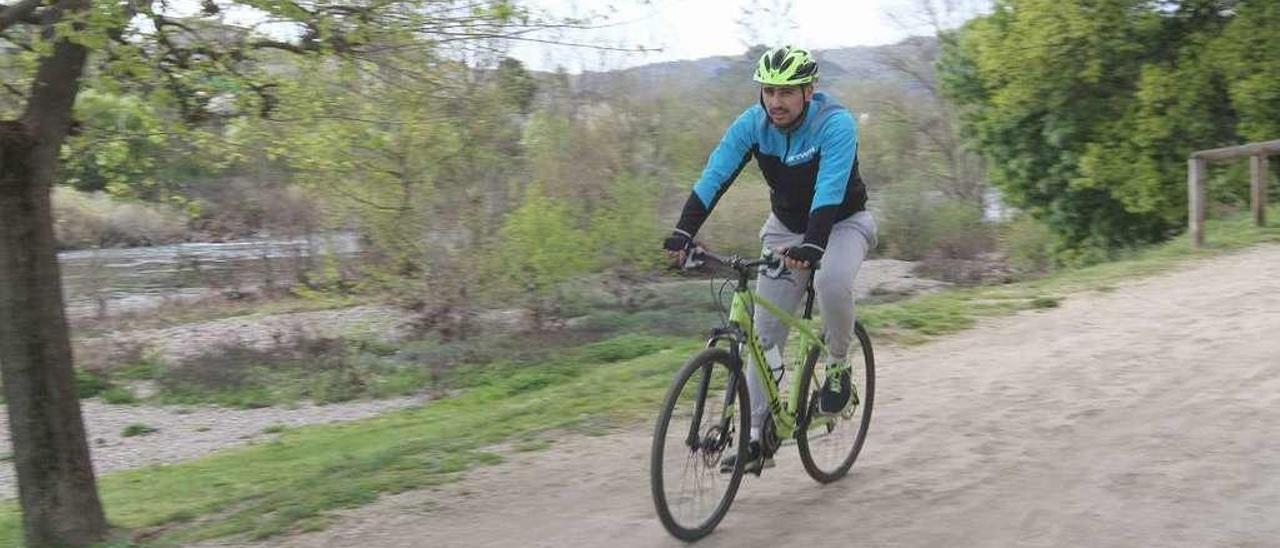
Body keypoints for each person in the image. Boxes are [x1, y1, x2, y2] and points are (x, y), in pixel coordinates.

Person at [662, 45, 878, 474]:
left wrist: (814, 245)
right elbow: (715, 175)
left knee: (832, 281)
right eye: (768, 92)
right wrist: (685, 231)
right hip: (783, 229)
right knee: (763, 337)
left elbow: (830, 191)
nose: (775, 102)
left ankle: (836, 367)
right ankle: (759, 436)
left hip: (842, 223)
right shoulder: (753, 125)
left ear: (808, 90)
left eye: (786, 93)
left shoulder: (835, 123)